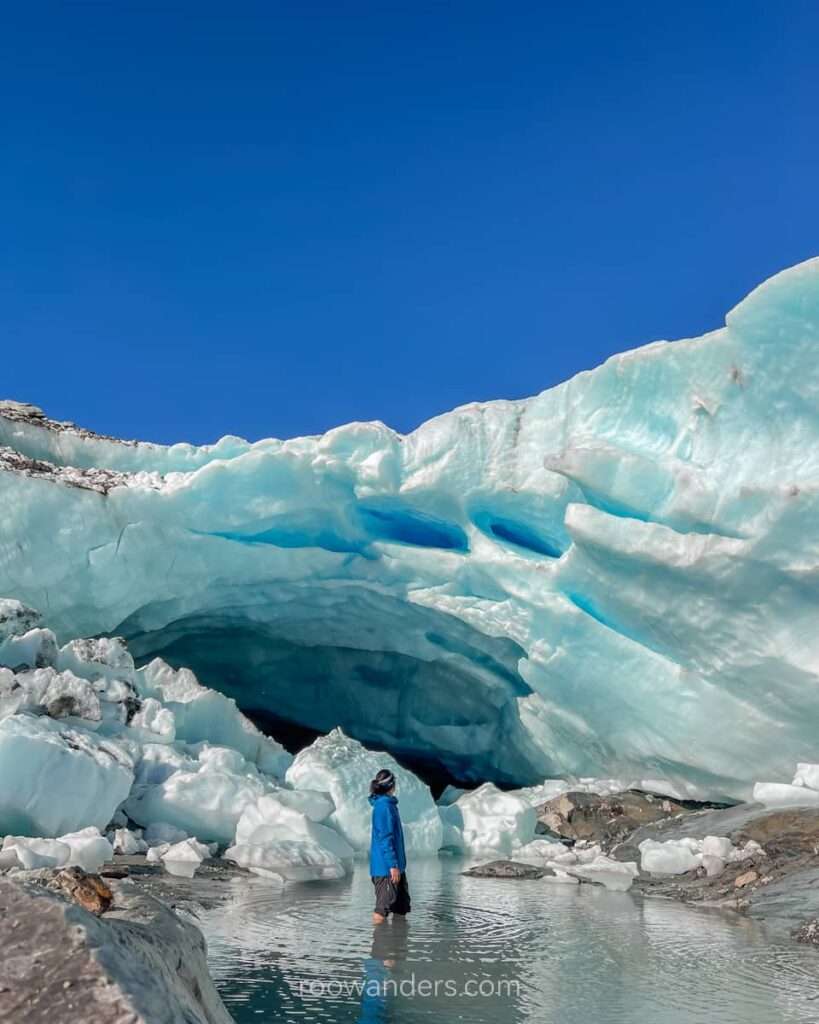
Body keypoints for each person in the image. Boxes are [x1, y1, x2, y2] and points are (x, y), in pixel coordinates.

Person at [368, 768, 411, 925]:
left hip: (396, 868)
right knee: (382, 909)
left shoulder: (389, 805)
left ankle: (398, 945)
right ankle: (379, 945)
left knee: (401, 907)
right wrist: (392, 865)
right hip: (386, 869)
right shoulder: (383, 807)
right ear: (391, 785)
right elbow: (385, 838)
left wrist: (398, 866)